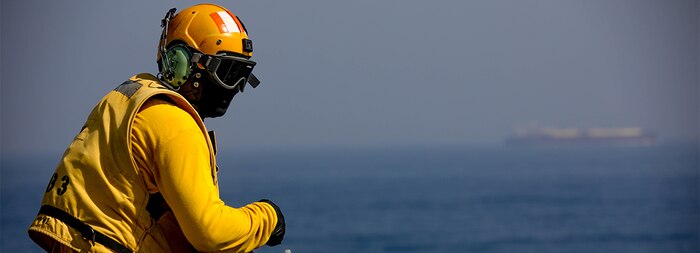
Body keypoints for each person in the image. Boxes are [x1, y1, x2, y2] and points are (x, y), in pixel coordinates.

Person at [27, 4, 285, 253]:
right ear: (182, 63)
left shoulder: (124, 100)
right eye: (228, 72)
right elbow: (209, 232)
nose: (235, 87)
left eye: (243, 74)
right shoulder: (175, 123)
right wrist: (266, 217)